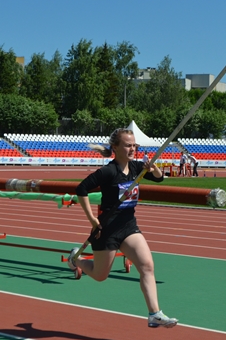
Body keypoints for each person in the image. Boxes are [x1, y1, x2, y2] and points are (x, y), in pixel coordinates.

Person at [69, 128, 178, 328]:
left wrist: (153, 168)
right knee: (101, 275)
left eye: (134, 145)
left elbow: (159, 178)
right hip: (107, 229)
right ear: (116, 148)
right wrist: (92, 219)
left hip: (129, 226)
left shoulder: (137, 168)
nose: (132, 148)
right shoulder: (108, 171)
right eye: (128, 145)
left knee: (147, 266)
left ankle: (155, 313)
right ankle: (77, 259)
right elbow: (81, 189)